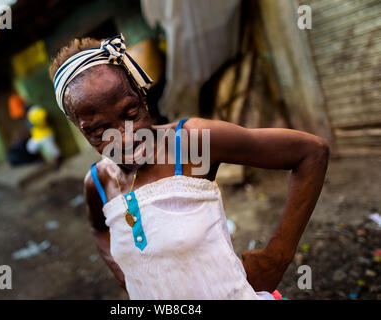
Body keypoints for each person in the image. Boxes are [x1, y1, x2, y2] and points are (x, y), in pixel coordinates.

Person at [49, 35, 329, 299]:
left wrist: (276, 257)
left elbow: (311, 153)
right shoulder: (98, 183)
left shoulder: (191, 143)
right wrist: (124, 273)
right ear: (80, 129)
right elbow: (98, 228)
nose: (126, 137)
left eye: (131, 113)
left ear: (141, 94)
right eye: (98, 130)